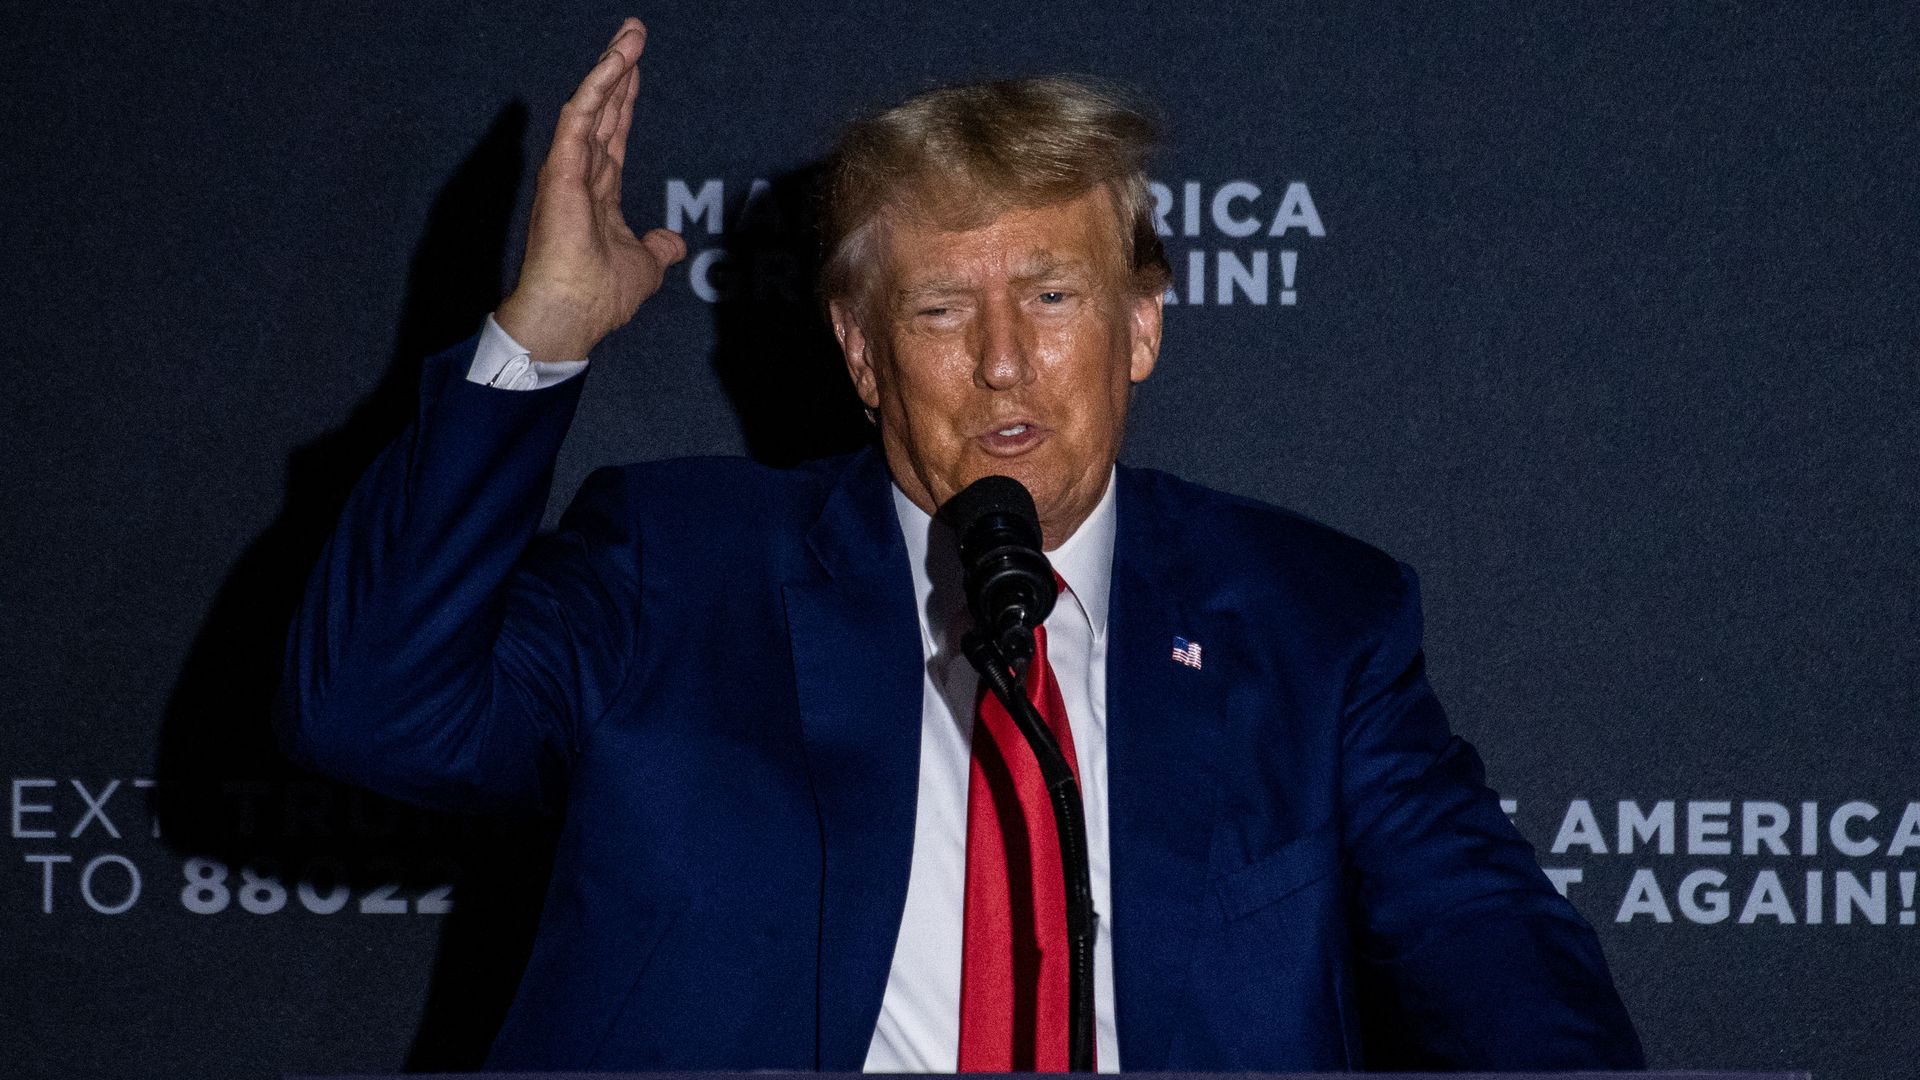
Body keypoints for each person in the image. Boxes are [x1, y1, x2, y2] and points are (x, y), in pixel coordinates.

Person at [278, 17, 1644, 1072]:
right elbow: (373, 717)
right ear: (862, 354)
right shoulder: (677, 571)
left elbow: (1493, 953)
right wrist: (545, 336)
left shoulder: (1312, 621)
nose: (1003, 365)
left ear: (1144, 325)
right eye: (939, 311)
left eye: (1053, 296)